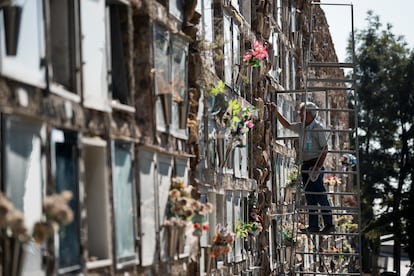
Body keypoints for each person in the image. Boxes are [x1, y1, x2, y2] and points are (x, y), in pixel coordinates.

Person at [268, 101, 335, 234]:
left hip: (315, 165)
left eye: (302, 112)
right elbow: (287, 125)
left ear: (309, 114)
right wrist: (276, 113)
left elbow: (325, 148)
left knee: (320, 195)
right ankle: (314, 226)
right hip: (306, 165)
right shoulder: (302, 127)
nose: (299, 114)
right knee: (310, 197)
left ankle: (329, 224)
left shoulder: (317, 128)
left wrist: (318, 167)